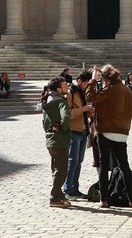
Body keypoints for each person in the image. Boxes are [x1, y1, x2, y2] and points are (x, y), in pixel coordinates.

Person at [85, 64, 132, 208]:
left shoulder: (110, 89)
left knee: (104, 167)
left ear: (106, 78)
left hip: (106, 130)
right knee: (124, 166)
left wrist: (92, 80)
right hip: (122, 132)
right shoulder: (127, 90)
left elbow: (90, 96)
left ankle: (104, 200)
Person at [62, 70, 95, 201]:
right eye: (85, 84)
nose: (86, 86)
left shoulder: (83, 93)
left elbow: (85, 113)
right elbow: (67, 113)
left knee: (79, 161)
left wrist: (90, 111)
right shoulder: (70, 93)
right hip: (73, 131)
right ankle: (67, 189)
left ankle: (75, 188)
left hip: (83, 130)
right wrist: (82, 110)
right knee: (72, 161)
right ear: (79, 80)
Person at [42, 76, 71, 208]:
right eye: (65, 85)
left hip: (50, 139)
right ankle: (54, 197)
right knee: (62, 170)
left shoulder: (49, 100)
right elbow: (65, 118)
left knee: (56, 168)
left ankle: (59, 195)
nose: (67, 87)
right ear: (59, 88)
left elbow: (44, 122)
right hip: (60, 140)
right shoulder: (61, 102)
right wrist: (63, 128)